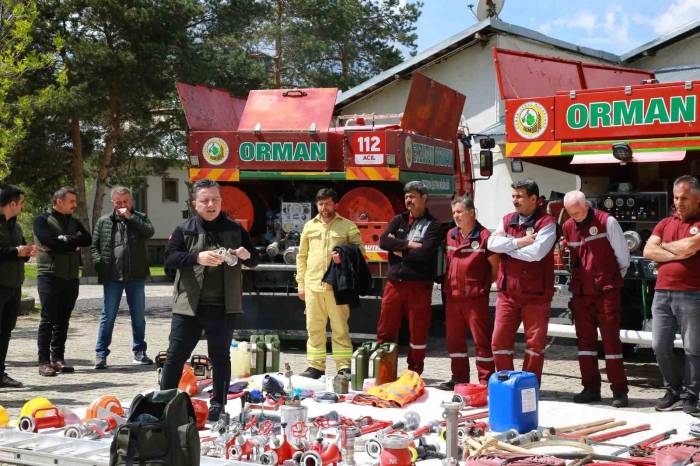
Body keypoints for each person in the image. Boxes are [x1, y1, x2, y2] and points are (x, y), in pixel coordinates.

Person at [160, 179, 257, 422]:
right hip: (189, 306)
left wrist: (246, 255)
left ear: (221, 201)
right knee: (175, 356)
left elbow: (254, 258)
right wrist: (197, 257)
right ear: (195, 204)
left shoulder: (235, 229)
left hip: (223, 306)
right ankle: (164, 402)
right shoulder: (185, 229)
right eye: (205, 200)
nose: (211, 204)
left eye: (215, 199)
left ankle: (218, 405)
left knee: (220, 357)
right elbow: (169, 259)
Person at [562, 190, 630, 408]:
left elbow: (622, 257)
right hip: (582, 294)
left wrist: (609, 280)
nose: (576, 217)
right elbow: (572, 260)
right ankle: (591, 388)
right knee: (585, 345)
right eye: (571, 214)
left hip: (605, 291)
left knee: (611, 343)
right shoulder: (568, 226)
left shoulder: (606, 221)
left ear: (587, 205)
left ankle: (619, 391)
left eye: (578, 212)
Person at [487, 179, 557, 383]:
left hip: (536, 295)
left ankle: (528, 386)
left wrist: (507, 247)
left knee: (535, 346)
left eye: (519, 196)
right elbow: (491, 243)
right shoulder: (507, 219)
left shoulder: (547, 223)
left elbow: (535, 253)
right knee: (499, 341)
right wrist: (519, 242)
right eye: (513, 196)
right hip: (508, 293)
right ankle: (506, 384)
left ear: (533, 199)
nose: (515, 200)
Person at [644, 175, 700, 415]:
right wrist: (679, 250)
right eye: (676, 197)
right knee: (659, 345)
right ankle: (673, 390)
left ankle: (691, 395)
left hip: (692, 294)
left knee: (693, 348)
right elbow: (648, 250)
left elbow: (690, 247)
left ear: (698, 198)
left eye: (685, 198)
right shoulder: (665, 222)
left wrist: (664, 247)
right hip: (662, 293)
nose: (679, 202)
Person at [296, 188, 364, 379]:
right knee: (314, 328)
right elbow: (301, 256)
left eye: (327, 203)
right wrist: (300, 284)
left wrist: (343, 256)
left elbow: (360, 251)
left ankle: (343, 367)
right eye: (320, 204)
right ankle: (315, 367)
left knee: (340, 328)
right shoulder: (309, 226)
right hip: (312, 286)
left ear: (336, 204)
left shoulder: (348, 226)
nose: (323, 207)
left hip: (337, 287)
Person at [377, 181, 441, 374]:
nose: (408, 200)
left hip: (419, 286)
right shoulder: (399, 220)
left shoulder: (434, 225)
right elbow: (383, 241)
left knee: (418, 332)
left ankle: (414, 372)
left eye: (412, 196)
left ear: (424, 198)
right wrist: (408, 245)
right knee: (385, 330)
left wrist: (399, 250)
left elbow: (425, 254)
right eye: (406, 197)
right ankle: (384, 371)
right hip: (395, 284)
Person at [91, 186, 155, 369]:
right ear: (113, 202)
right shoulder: (104, 221)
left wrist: (131, 217)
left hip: (135, 276)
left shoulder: (139, 217)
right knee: (108, 316)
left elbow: (149, 232)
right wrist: (99, 262)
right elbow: (94, 246)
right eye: (118, 202)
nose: (122, 206)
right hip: (112, 276)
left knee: (138, 316)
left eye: (125, 202)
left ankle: (139, 352)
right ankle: (101, 354)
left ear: (130, 201)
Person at [440, 195, 498, 390]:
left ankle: (486, 381)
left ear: (472, 212)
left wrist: (482, 285)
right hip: (453, 297)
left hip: (475, 298)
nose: (456, 216)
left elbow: (495, 268)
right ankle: (459, 379)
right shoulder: (450, 235)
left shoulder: (484, 237)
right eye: (454, 212)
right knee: (454, 341)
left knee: (482, 341)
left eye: (459, 212)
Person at [33, 187, 92, 376]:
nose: (75, 205)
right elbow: (47, 241)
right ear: (59, 201)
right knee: (48, 319)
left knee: (63, 320)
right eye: (71, 202)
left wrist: (66, 240)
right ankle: (43, 362)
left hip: (71, 276)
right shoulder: (42, 220)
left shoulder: (74, 221)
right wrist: (72, 243)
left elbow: (88, 240)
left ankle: (58, 358)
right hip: (49, 275)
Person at [0, 185, 36, 387]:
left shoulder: (16, 226)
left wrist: (27, 253)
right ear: (12, 203)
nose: (22, 207)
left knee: (5, 332)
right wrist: (15, 251)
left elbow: (18, 253)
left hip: (13, 287)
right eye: (21, 203)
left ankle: (1, 374)